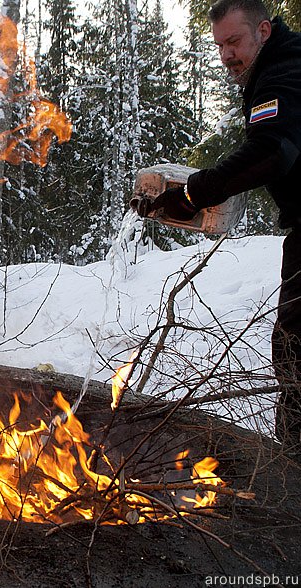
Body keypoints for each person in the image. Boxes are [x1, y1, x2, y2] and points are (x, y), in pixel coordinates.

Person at [132, 0, 301, 453]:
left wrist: (193, 194)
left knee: (296, 356)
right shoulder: (278, 68)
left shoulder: (283, 72)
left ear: (263, 31)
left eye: (235, 41)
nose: (227, 54)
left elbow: (272, 150)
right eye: (220, 46)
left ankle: (290, 488)